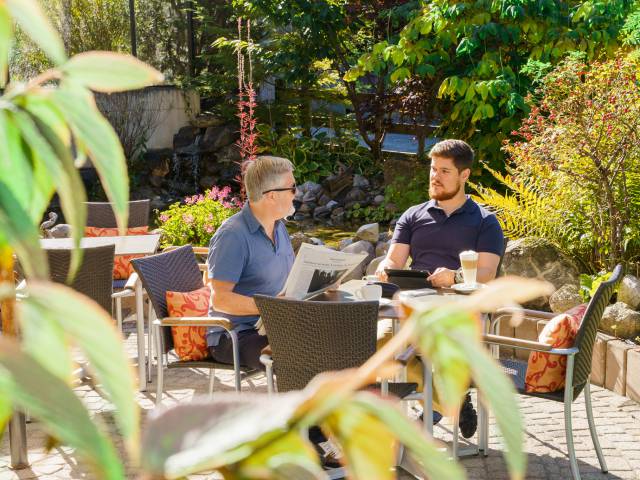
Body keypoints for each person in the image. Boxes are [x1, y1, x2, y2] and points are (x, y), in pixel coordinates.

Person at [375, 139, 504, 438]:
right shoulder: (413, 215)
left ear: (464, 176)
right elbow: (394, 258)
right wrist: (384, 266)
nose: (435, 176)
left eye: (445, 171)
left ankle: (435, 405)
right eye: (433, 169)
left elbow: (487, 273)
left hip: (459, 314)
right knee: (380, 342)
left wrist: (457, 277)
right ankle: (447, 400)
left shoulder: (485, 222)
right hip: (412, 307)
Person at [206, 156, 296, 370]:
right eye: (292, 187)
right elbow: (220, 299)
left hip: (276, 326)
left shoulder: (279, 227)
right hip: (235, 335)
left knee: (337, 341)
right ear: (272, 196)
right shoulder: (233, 235)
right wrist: (272, 308)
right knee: (303, 355)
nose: (297, 193)